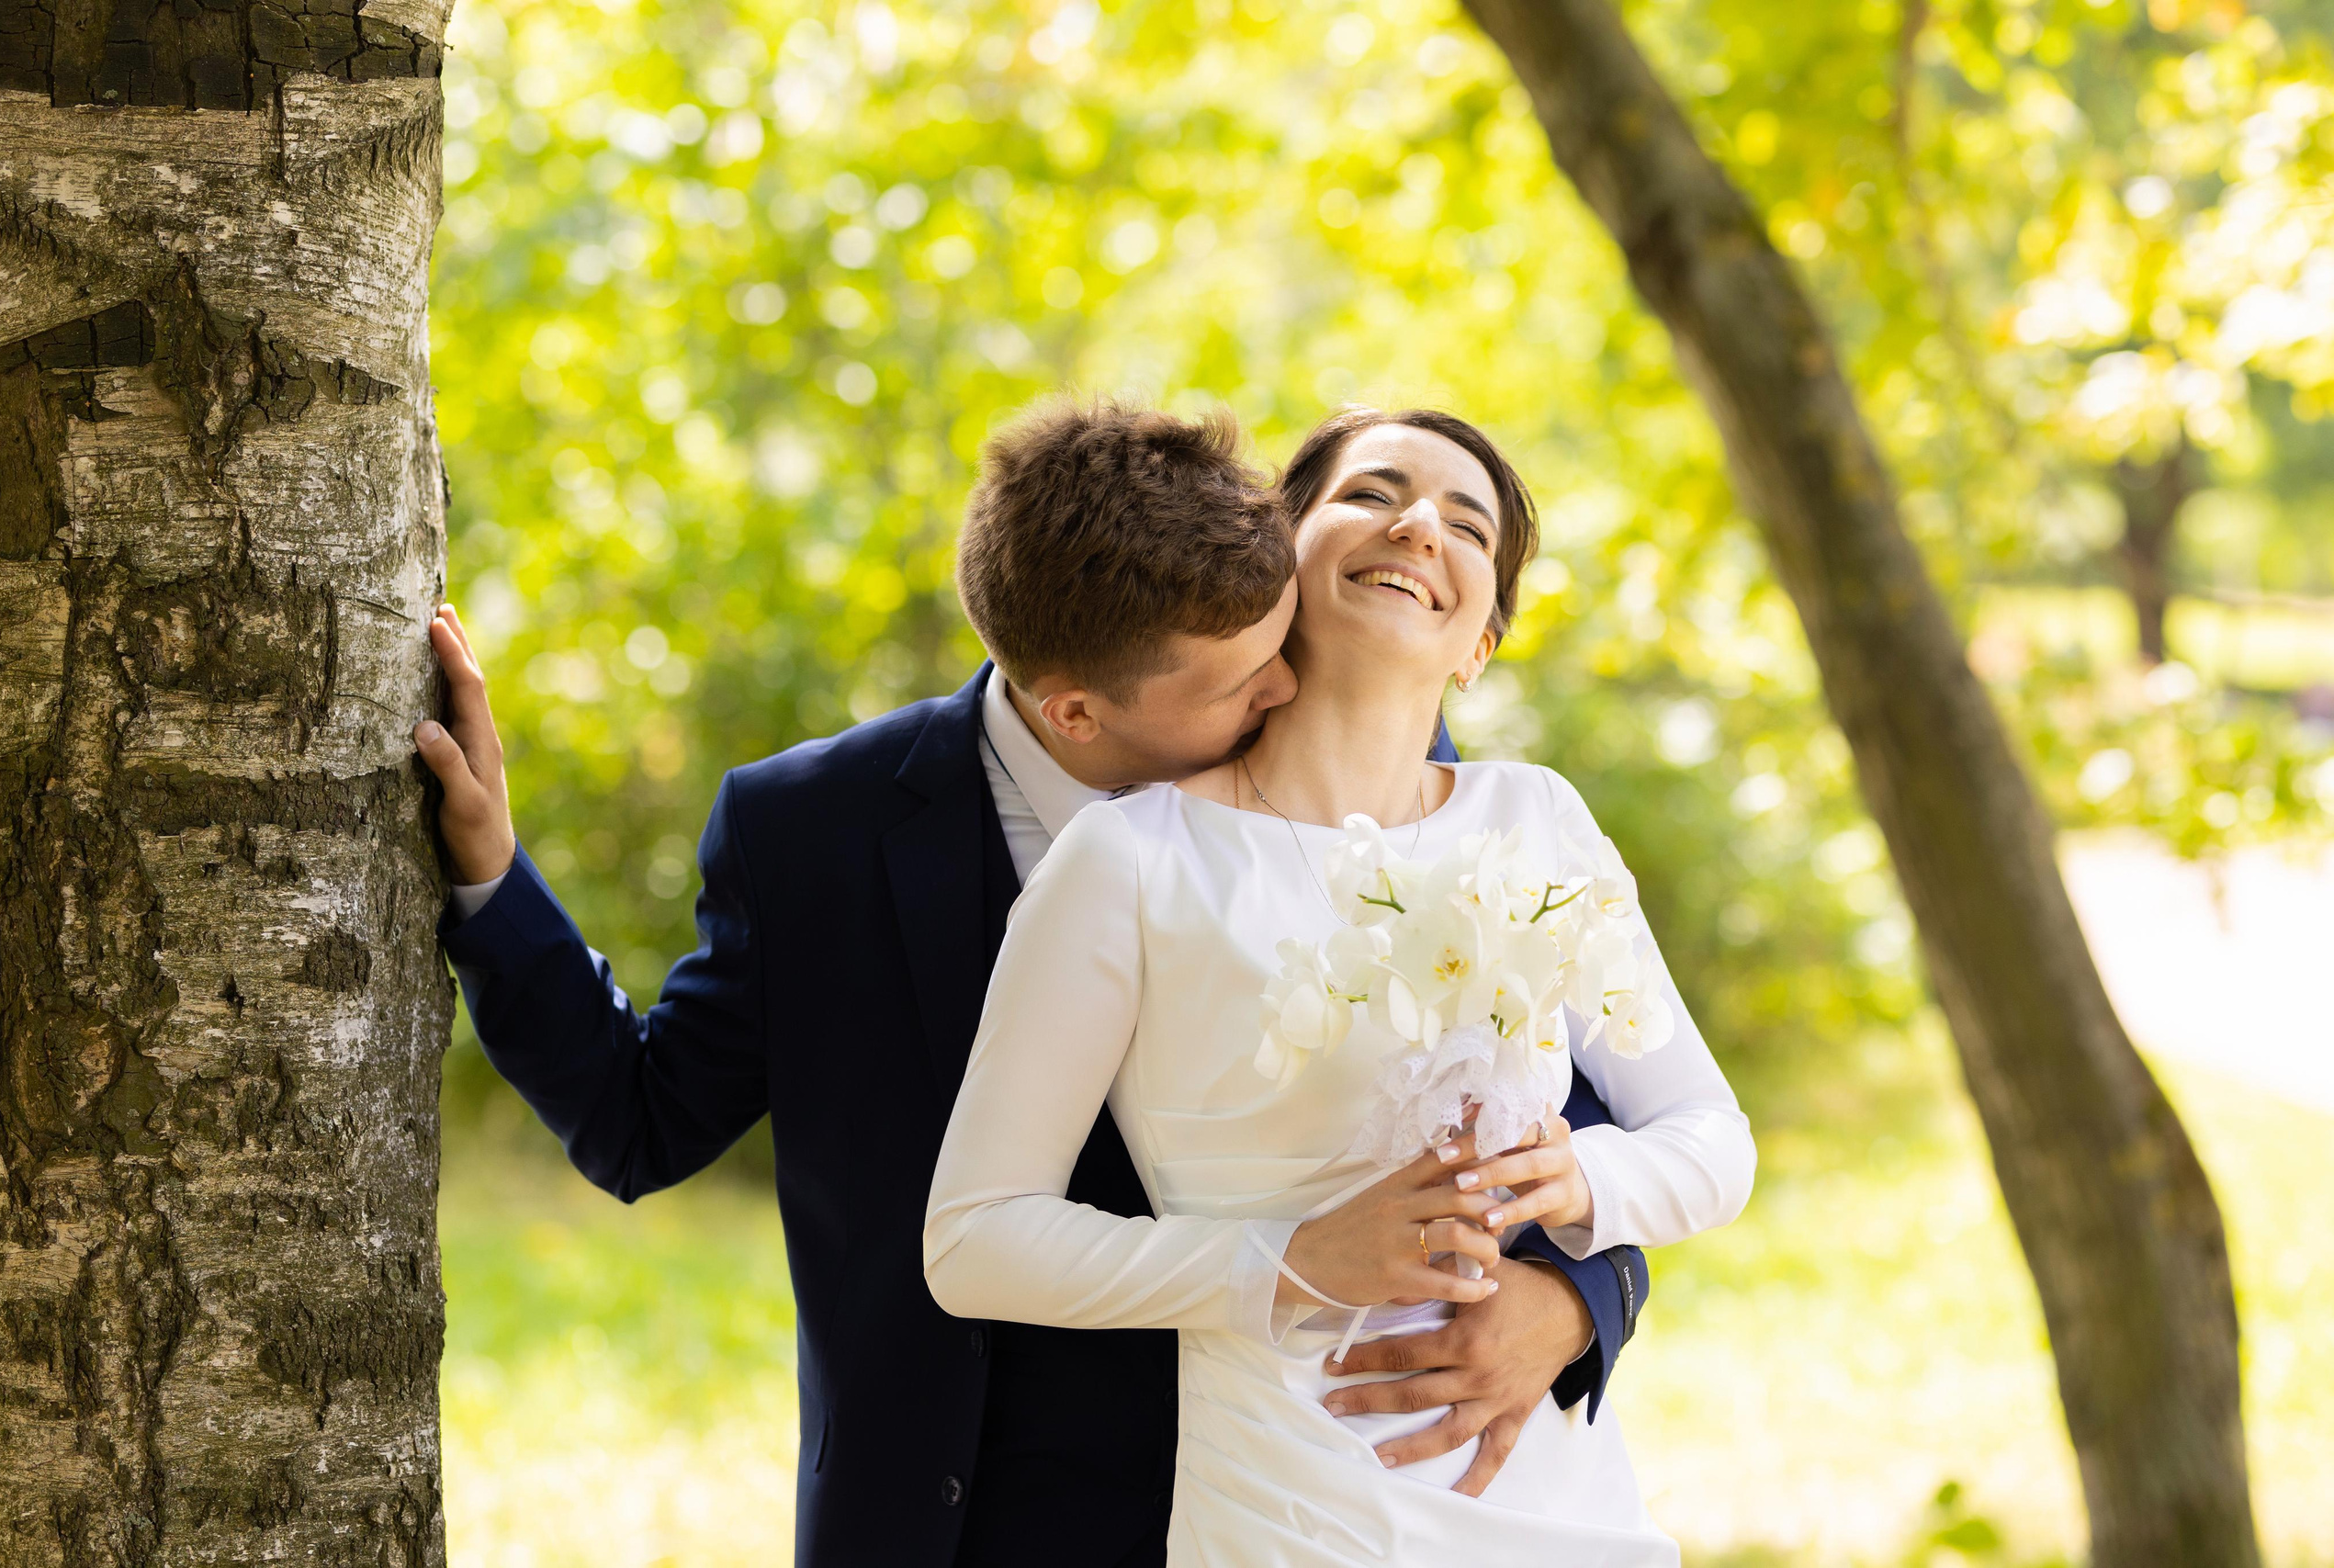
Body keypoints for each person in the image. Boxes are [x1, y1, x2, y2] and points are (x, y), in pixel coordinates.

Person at [413, 401, 1653, 1568]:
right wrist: (490, 880)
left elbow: (1575, 1091)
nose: (1285, 688)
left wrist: (1577, 1292)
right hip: (955, 1515)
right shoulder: (815, 830)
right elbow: (642, 1119)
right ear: (1075, 708)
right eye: (1241, 680)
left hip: (1275, 1493)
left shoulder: (1395, 792)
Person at [923, 407, 1754, 1564]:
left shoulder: (1538, 819)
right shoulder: (1129, 861)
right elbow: (973, 1241)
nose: (1421, 526)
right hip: (1293, 1512)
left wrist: (1579, 1181)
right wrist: (1285, 1261)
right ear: (1280, 559)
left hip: (1561, 1509)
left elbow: (1712, 1139)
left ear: (1480, 641)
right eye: (1373, 494)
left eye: (1470, 525)